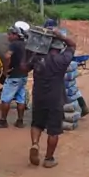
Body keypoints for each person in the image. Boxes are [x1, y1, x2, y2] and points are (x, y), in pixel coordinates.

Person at [24, 29, 76, 168]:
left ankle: (35, 144)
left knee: (37, 124)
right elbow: (72, 45)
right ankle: (49, 159)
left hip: (38, 96)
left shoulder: (37, 59)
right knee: (54, 130)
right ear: (59, 48)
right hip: (55, 98)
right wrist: (61, 36)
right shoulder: (62, 60)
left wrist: (28, 51)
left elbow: (23, 68)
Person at [0, 23, 29, 129]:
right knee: (21, 99)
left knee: (6, 98)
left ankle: (3, 121)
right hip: (23, 75)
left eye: (10, 34)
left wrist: (6, 70)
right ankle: (20, 121)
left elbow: (7, 56)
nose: (8, 36)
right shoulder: (25, 44)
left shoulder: (14, 44)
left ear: (15, 35)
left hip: (14, 75)